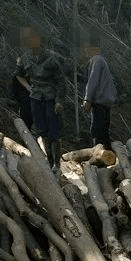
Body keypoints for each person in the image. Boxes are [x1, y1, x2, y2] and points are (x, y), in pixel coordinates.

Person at [15, 25, 65, 170]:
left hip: (51, 98)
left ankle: (57, 164)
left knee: (54, 132)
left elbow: (61, 80)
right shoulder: (25, 58)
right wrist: (28, 87)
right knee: (41, 130)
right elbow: (18, 74)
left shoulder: (51, 57)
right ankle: (49, 162)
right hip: (36, 99)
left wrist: (59, 100)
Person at [82, 36, 117, 148]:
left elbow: (93, 81)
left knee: (97, 130)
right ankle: (107, 153)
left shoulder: (96, 60)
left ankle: (100, 155)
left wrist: (87, 99)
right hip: (106, 102)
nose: (85, 50)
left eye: (87, 47)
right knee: (104, 130)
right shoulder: (101, 61)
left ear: (94, 49)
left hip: (100, 102)